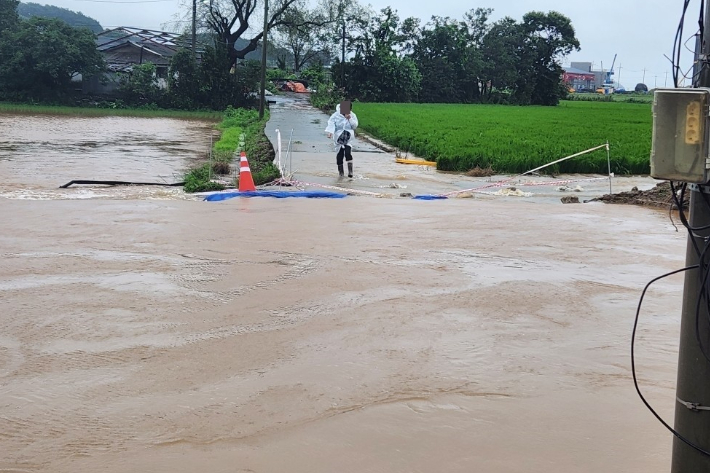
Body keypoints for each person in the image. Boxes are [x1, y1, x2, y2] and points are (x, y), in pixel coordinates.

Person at [325, 102, 359, 178]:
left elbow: (354, 126)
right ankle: (341, 173)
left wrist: (349, 119)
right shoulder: (336, 115)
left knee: (348, 153)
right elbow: (331, 123)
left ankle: (350, 172)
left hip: (348, 137)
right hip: (338, 137)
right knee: (340, 155)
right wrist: (330, 132)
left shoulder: (352, 115)